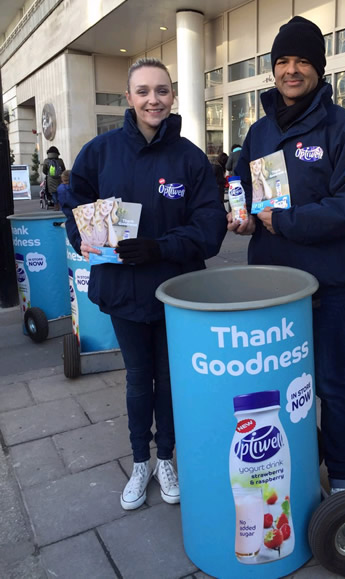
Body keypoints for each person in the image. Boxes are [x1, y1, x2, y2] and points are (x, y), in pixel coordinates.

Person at [62, 57, 227, 510]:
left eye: (162, 90)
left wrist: (161, 246)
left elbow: (210, 226)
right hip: (122, 290)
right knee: (138, 379)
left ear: (172, 96)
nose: (153, 99)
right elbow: (73, 196)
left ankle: (167, 459)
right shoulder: (101, 151)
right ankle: (140, 461)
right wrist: (85, 238)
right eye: (143, 91)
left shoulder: (191, 158)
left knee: (170, 380)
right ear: (130, 98)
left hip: (178, 292)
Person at [227, 16, 345, 494]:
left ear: (319, 68)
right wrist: (246, 218)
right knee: (281, 384)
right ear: (273, 70)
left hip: (327, 283)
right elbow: (248, 195)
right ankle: (296, 459)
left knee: (332, 380)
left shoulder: (344, 129)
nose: (292, 70)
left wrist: (287, 221)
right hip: (272, 285)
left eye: (302, 61)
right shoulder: (259, 132)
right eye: (283, 61)